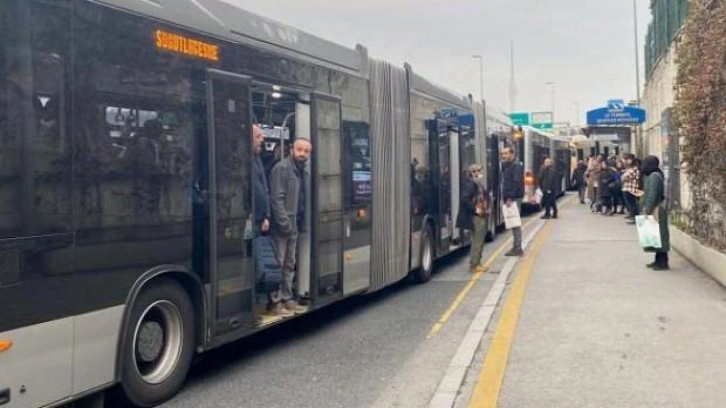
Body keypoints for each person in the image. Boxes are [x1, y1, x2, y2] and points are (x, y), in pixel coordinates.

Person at [269, 137, 313, 313]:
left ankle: (287, 298)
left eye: (306, 151)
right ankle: (275, 301)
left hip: (294, 224)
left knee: (289, 264)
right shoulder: (282, 169)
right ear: (291, 150)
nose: (302, 154)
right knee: (278, 264)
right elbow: (276, 200)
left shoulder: (304, 172)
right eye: (299, 150)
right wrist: (285, 224)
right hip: (283, 226)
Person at [456, 164, 489, 271]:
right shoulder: (471, 184)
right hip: (476, 216)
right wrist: (475, 209)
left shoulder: (477, 184)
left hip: (481, 214)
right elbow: (465, 199)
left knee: (478, 239)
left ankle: (476, 262)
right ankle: (475, 264)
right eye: (478, 171)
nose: (480, 173)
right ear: (473, 173)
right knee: (478, 240)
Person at [641, 155, 670, 270]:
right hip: (655, 208)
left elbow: (652, 195)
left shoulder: (654, 176)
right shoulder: (653, 175)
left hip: (656, 209)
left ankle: (663, 262)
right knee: (655, 236)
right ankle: (658, 260)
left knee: (660, 237)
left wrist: (647, 210)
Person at [500, 146, 524, 256]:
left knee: (515, 222)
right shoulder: (507, 166)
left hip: (514, 198)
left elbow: (516, 182)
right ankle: (516, 246)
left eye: (506, 153)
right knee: (512, 221)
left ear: (512, 154)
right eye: (502, 154)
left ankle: (518, 247)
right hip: (509, 197)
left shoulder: (516, 166)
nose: (503, 156)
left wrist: (510, 198)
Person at [621, 153, 641, 224]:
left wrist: (624, 176)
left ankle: (634, 217)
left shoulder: (634, 169)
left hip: (630, 189)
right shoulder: (630, 169)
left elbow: (623, 177)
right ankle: (631, 215)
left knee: (631, 204)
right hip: (627, 188)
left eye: (625, 159)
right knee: (629, 203)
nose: (623, 161)